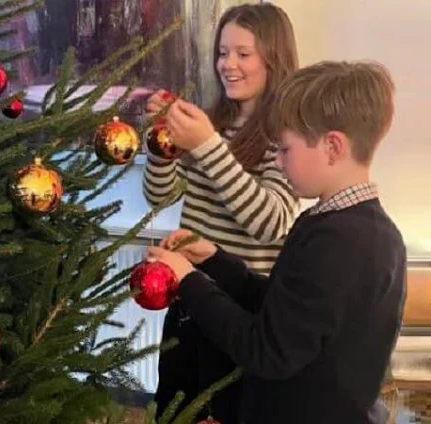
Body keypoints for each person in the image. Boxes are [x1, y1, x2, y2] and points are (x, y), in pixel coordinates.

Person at [148, 60, 406, 424]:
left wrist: (189, 282)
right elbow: (282, 310)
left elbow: (264, 349)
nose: (280, 162)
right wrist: (216, 261)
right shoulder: (347, 226)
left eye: (285, 150)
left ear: (332, 147)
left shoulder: (344, 242)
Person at [142, 4, 300, 422]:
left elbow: (271, 222)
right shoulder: (209, 122)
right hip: (188, 302)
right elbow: (159, 196)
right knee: (175, 408)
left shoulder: (285, 135)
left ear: (274, 58)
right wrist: (162, 143)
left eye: (243, 54)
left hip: (240, 316)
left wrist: (208, 145)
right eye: (222, 52)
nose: (228, 65)